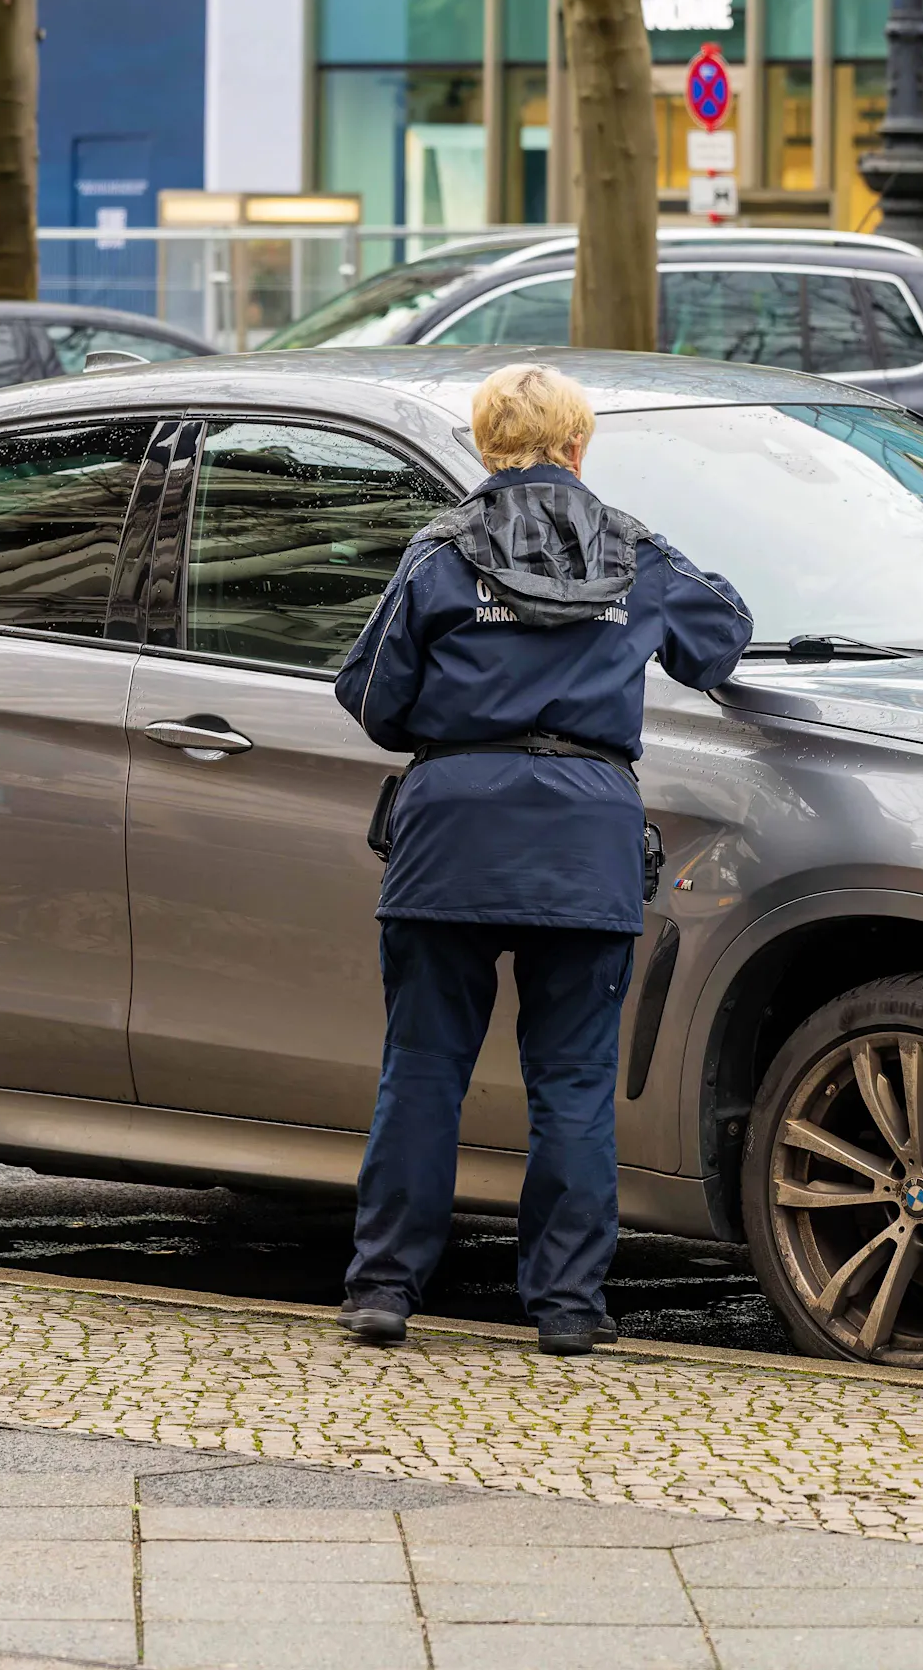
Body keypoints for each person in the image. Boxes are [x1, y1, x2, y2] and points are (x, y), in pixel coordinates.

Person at [332, 362, 754, 1357]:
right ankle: (565, 1305)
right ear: (577, 448)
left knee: (423, 1069)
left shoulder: (436, 550)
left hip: (450, 837)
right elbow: (720, 636)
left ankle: (384, 1289)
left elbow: (371, 696)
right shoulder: (633, 549)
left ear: (486, 448)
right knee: (571, 1082)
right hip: (584, 838)